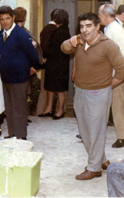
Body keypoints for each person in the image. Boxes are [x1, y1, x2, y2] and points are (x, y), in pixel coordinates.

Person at [61, 12, 124, 180]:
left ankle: (94, 167)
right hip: (80, 91)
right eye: (82, 26)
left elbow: (122, 68)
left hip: (99, 94)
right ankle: (101, 160)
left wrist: (109, 84)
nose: (85, 30)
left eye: (89, 26)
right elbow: (64, 48)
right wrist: (72, 40)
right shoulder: (80, 42)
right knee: (85, 131)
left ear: (98, 26)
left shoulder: (108, 45)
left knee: (96, 131)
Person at [0, 6, 39, 140]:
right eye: (2, 19)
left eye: (8, 18)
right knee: (9, 108)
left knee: (19, 108)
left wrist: (31, 68)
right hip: (6, 77)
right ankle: (12, 133)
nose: (5, 22)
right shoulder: (2, 34)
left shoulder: (20, 34)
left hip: (19, 77)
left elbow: (33, 54)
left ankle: (21, 137)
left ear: (13, 18)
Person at [98, 4, 124, 148]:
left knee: (118, 106)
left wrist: (116, 77)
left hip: (117, 75)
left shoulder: (115, 30)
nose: (98, 16)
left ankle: (122, 136)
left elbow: (121, 55)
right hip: (111, 73)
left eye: (99, 14)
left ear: (106, 16)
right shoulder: (109, 28)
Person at [13, 6, 43, 119]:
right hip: (22, 67)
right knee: (21, 94)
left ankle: (21, 117)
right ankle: (20, 118)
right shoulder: (21, 31)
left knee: (19, 94)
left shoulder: (16, 30)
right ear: (24, 18)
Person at [40, 9, 71, 120]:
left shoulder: (62, 31)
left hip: (59, 63)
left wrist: (44, 54)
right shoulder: (60, 29)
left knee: (59, 88)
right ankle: (49, 109)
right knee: (51, 87)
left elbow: (54, 48)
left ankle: (60, 110)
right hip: (54, 63)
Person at [37, 9, 58, 116]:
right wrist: (45, 57)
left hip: (46, 59)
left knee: (45, 87)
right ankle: (42, 110)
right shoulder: (52, 28)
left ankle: (42, 109)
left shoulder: (46, 27)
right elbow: (45, 45)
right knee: (46, 87)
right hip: (49, 61)